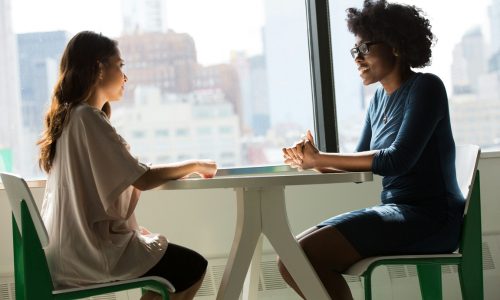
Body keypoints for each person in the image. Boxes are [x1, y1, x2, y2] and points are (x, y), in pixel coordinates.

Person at [279, 1, 465, 299]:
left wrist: (320, 157)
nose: (357, 58)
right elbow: (358, 167)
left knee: (300, 258)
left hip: (430, 218)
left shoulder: (426, 88)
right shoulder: (377, 100)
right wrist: (309, 160)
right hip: (396, 212)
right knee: (290, 259)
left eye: (365, 48)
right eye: (355, 51)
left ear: (395, 45)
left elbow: (397, 160)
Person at [38, 31, 217, 300]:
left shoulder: (69, 118)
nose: (125, 76)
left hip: (68, 251)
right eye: (120, 66)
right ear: (99, 68)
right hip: (90, 253)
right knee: (191, 268)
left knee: (165, 274)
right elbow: (141, 178)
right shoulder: (87, 118)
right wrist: (194, 164)